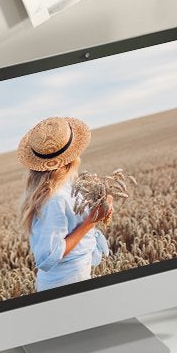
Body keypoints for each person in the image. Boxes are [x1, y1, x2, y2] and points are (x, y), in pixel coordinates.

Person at [16, 117, 113, 292]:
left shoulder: (62, 188)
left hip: (70, 276)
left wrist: (101, 207)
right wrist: (91, 221)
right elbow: (48, 255)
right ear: (71, 157)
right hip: (68, 282)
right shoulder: (55, 198)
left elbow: (71, 222)